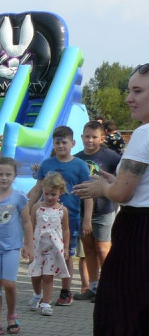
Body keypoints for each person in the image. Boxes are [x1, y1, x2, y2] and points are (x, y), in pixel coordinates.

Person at [63, 64, 149, 336]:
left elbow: (125, 193)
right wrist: (115, 181)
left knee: (109, 311)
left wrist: (104, 188)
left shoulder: (145, 133)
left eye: (138, 91)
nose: (129, 97)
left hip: (138, 231)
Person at [27, 125, 92, 307]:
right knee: (41, 253)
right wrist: (28, 209)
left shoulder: (80, 165)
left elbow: (87, 194)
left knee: (66, 255)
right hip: (44, 219)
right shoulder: (47, 164)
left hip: (69, 218)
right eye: (57, 142)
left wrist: (87, 218)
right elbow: (37, 189)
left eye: (64, 142)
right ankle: (40, 292)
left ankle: (65, 291)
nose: (61, 146)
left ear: (72, 143)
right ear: (53, 144)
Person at [73, 120, 121, 301]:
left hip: (104, 210)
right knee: (89, 248)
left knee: (103, 249)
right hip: (81, 211)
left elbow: (120, 179)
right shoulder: (76, 158)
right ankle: (93, 287)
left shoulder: (111, 157)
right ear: (81, 137)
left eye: (94, 137)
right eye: (87, 136)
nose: (90, 140)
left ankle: (109, 286)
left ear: (102, 138)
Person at [0, 157, 33, 336]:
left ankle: (11, 315)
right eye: (0, 174)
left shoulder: (19, 197)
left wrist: (29, 245)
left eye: (8, 174)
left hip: (12, 247)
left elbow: (27, 222)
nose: (4, 178)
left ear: (14, 176)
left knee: (9, 283)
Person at [28, 172, 69, 317]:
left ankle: (46, 303)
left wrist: (66, 247)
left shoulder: (62, 210)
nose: (50, 197)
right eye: (47, 194)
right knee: (35, 275)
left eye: (54, 194)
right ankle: (37, 294)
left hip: (53, 248)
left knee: (47, 276)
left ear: (60, 193)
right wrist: (26, 246)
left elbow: (65, 229)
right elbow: (30, 226)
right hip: (37, 247)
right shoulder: (36, 208)